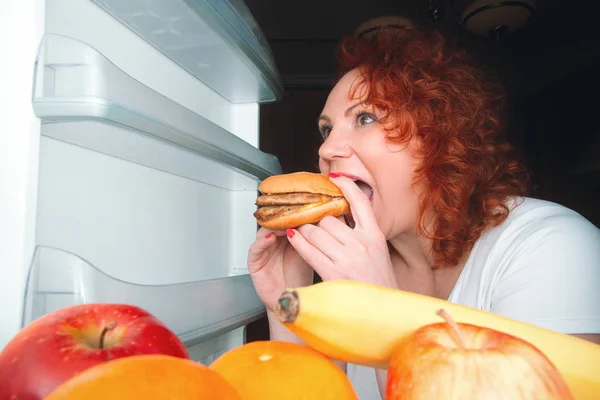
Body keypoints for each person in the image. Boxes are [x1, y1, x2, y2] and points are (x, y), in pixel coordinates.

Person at [247, 27, 600, 399]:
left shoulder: (551, 248)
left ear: (439, 136)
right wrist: (288, 305)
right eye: (326, 130)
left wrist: (380, 312)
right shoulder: (347, 277)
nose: (328, 149)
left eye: (365, 118)